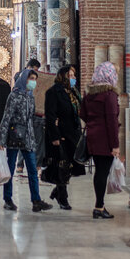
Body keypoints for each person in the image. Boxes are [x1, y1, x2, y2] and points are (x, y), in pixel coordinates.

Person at [0, 70, 52, 212]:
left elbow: (31, 117)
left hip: (28, 137)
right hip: (14, 136)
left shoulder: (30, 97)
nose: (33, 82)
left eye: (34, 79)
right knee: (10, 168)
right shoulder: (14, 96)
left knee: (33, 170)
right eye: (31, 79)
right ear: (24, 80)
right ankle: (7, 199)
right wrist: (1, 140)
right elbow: (6, 117)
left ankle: (36, 200)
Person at [80, 61, 120, 219]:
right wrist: (115, 145)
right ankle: (99, 207)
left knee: (99, 172)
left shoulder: (89, 94)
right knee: (102, 172)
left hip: (92, 136)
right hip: (105, 139)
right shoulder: (109, 95)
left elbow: (82, 113)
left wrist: (92, 122)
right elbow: (112, 121)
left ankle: (99, 205)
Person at [43, 65, 84, 210]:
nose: (73, 78)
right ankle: (62, 197)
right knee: (62, 165)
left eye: (74, 75)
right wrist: (55, 136)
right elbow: (50, 116)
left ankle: (58, 190)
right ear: (63, 76)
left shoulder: (73, 92)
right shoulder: (54, 92)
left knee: (75, 165)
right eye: (70, 75)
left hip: (73, 133)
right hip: (61, 135)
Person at [12, 59, 42, 173]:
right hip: (22, 119)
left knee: (33, 142)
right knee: (22, 141)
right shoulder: (19, 82)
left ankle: (34, 166)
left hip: (33, 117)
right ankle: (20, 165)